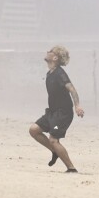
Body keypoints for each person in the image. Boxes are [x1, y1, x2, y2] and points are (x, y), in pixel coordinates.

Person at [28, 45, 84, 173]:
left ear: (55, 57)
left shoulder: (60, 73)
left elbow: (72, 89)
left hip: (63, 114)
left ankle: (71, 168)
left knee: (53, 139)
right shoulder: (50, 73)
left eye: (50, 51)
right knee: (34, 130)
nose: (47, 52)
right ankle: (55, 151)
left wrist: (77, 106)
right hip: (52, 112)